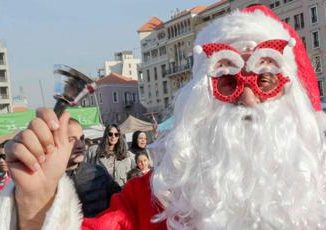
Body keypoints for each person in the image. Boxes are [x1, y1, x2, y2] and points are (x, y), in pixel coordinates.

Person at [2, 5, 326, 229]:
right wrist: (36, 205)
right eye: (226, 82)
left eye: (264, 80)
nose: (246, 97)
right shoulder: (157, 201)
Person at [65, 118, 121, 217]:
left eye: (81, 138)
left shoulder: (98, 172)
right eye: (72, 140)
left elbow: (121, 200)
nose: (80, 145)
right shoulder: (46, 181)